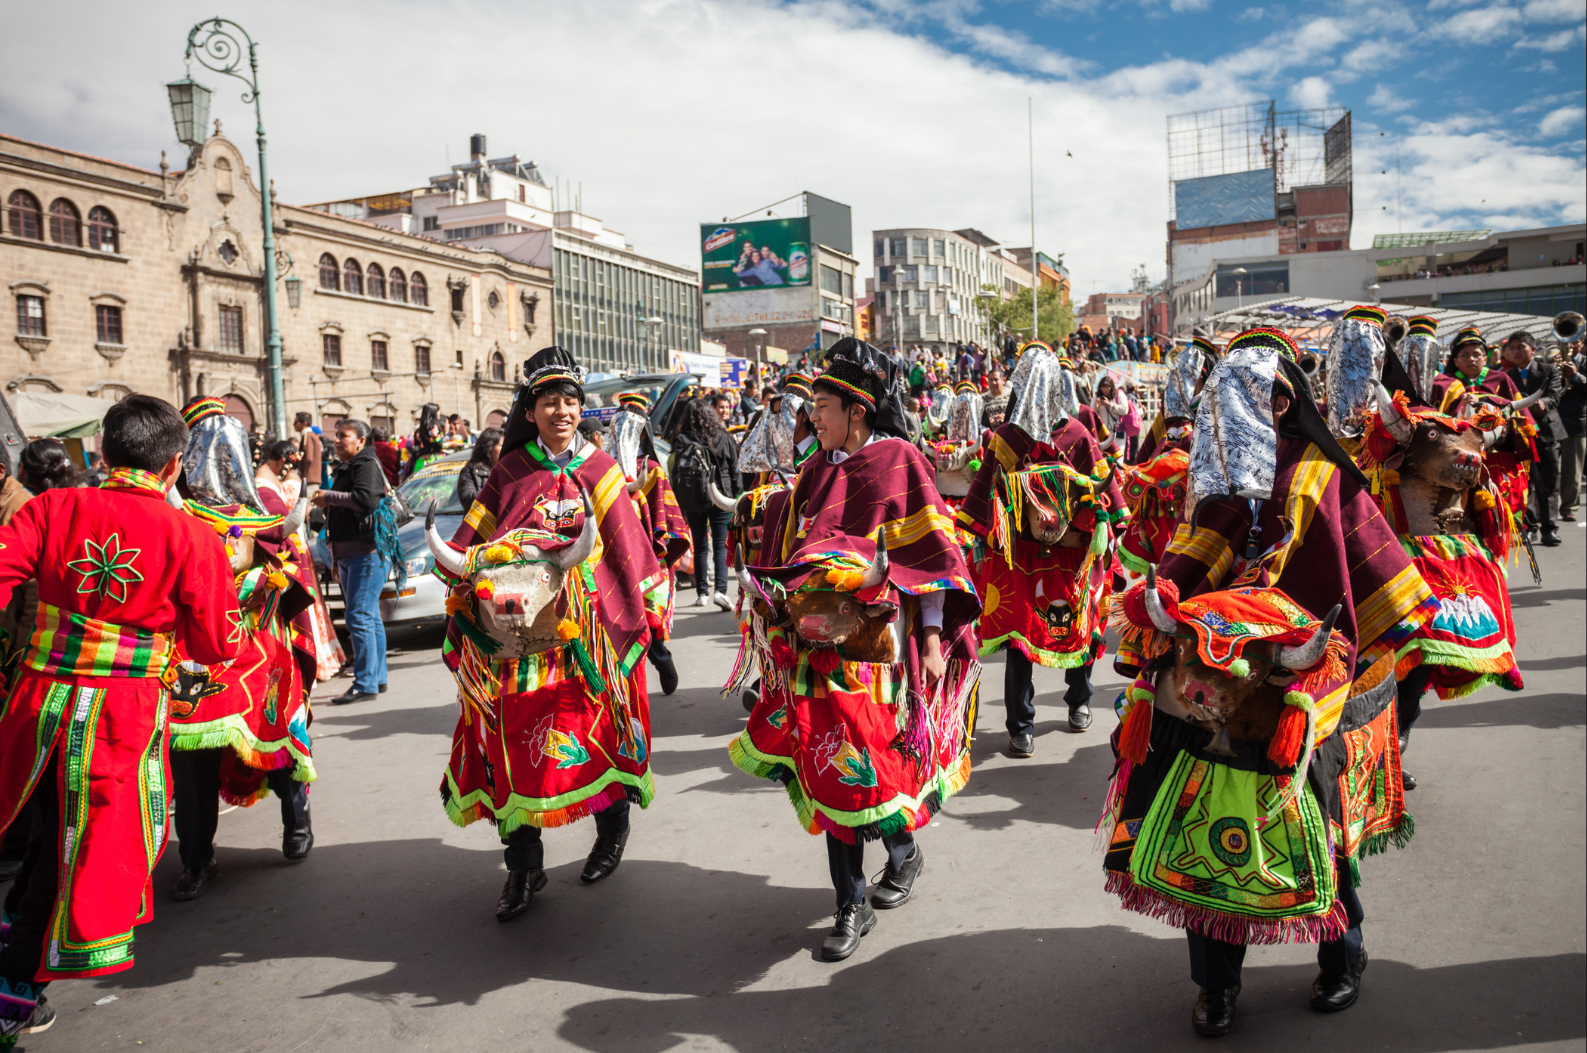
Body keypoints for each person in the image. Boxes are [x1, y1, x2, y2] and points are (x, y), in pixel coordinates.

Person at [1105, 327, 1436, 1037]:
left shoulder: (1324, 476)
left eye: (1237, 399)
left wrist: (1344, 655)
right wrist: (1158, 602)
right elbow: (1194, 555)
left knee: (1319, 820)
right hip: (1217, 679)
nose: (1219, 415)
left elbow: (1371, 582)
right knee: (1201, 817)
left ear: (1281, 400)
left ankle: (1341, 955)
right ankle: (1217, 983)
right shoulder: (1219, 485)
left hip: (1301, 676)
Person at [728, 338, 980, 962]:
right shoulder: (816, 468)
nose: (812, 414)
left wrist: (929, 639)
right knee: (830, 762)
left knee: (877, 764)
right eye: (812, 403)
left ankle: (902, 851)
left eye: (822, 403)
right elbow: (796, 546)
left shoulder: (900, 461)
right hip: (816, 649)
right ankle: (851, 901)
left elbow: (929, 561)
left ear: (857, 409)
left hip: (879, 650)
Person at [0, 395, 240, 1044]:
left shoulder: (50, 508)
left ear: (102, 452)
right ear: (173, 464)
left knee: (34, 829)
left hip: (35, 703)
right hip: (117, 717)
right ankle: (16, 983)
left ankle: (16, 938)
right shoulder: (191, 534)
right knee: (74, 849)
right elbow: (220, 642)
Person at [432, 346, 663, 921]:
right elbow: (466, 545)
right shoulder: (511, 471)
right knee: (512, 747)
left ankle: (611, 833)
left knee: (598, 737)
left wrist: (648, 625)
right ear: (529, 412)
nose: (562, 411)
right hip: (518, 645)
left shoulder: (602, 472)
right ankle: (523, 866)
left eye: (570, 401)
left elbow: (632, 554)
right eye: (550, 402)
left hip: (590, 646)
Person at [166, 398, 317, 900]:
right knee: (192, 757)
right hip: (195, 655)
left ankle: (297, 822)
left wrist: (263, 581)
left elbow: (295, 566)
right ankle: (195, 857)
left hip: (261, 649)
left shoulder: (265, 509)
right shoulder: (173, 513)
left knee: (277, 735)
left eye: (228, 438)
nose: (219, 450)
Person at [957, 342, 1124, 755]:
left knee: (1077, 626)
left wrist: (1103, 525)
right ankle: (1020, 723)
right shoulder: (1007, 438)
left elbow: (1106, 495)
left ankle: (1079, 700)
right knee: (1020, 637)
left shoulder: (1078, 434)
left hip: (1070, 554)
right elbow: (983, 498)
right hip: (1020, 555)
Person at [607, 392, 689, 696]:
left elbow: (663, 515)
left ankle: (661, 659)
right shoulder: (603, 466)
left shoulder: (652, 468)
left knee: (644, 617)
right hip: (611, 550)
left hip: (645, 553)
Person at [311, 419, 389, 704]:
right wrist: (335, 555)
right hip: (349, 554)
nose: (337, 440)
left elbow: (366, 500)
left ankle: (365, 682)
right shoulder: (349, 466)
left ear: (362, 441)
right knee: (368, 617)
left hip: (365, 553)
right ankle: (376, 678)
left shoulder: (365, 464)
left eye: (344, 436)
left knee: (359, 616)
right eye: (336, 435)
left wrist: (328, 497)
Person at [673, 397, 740, 609]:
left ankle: (701, 592)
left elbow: (676, 474)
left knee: (700, 546)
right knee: (720, 545)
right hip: (721, 496)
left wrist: (681, 504)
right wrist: (737, 499)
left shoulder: (683, 440)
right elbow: (734, 470)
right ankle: (720, 591)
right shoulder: (723, 436)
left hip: (693, 498)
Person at [1501, 331, 1565, 547]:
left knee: (1548, 483)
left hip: (1546, 434)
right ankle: (1530, 528)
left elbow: (1554, 395)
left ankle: (1550, 529)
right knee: (1523, 484)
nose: (1517, 352)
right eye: (1513, 348)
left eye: (1521, 347)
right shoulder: (1505, 375)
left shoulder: (1549, 369)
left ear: (1533, 349)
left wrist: (1543, 404)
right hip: (1519, 438)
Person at [1560, 338, 1587, 520]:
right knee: (1549, 469)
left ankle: (1570, 507)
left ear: (1582, 343)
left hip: (1575, 421)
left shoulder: (1584, 363)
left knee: (1572, 470)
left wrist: (1576, 376)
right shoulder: (1552, 361)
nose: (1570, 344)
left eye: (1575, 340)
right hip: (1552, 421)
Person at [455, 427, 504, 510]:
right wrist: (495, 491)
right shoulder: (470, 470)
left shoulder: (507, 470)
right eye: (501, 445)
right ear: (489, 449)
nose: (504, 449)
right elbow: (466, 498)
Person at [293, 412, 323, 493]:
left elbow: (308, 458)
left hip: (309, 479)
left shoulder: (307, 436)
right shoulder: (311, 435)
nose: (294, 424)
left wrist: (301, 473)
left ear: (304, 423)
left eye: (296, 422)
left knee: (308, 504)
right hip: (312, 479)